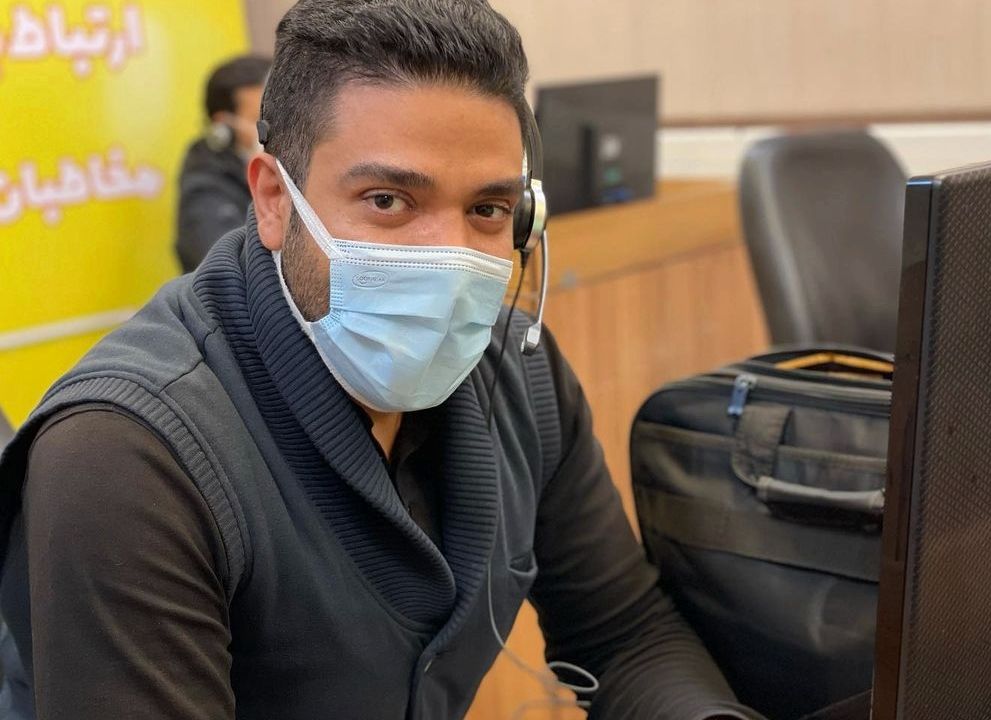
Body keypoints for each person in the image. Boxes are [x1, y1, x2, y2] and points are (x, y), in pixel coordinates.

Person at [0, 2, 766, 718]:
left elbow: (624, 633)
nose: (449, 258)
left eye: (487, 210)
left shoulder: (521, 375)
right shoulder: (126, 457)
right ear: (273, 200)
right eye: (388, 201)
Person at [175, 54, 271, 273]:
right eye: (260, 118)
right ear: (223, 126)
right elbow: (228, 270)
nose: (273, 128)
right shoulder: (204, 190)